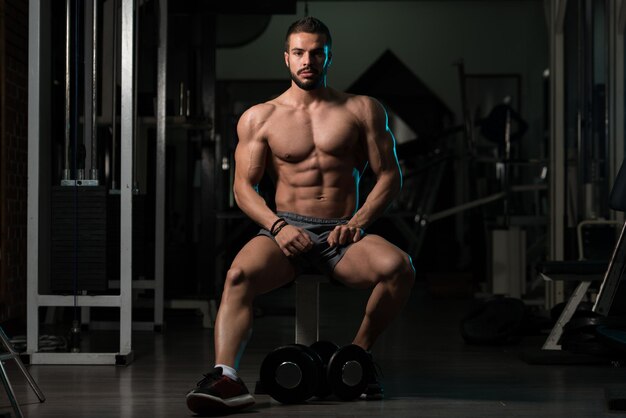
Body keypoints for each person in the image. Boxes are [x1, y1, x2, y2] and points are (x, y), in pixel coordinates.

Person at [186, 16, 416, 415]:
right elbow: (243, 188)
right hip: (285, 230)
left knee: (399, 267)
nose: (307, 60)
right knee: (237, 276)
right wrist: (277, 226)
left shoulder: (361, 109)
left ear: (328, 57)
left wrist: (357, 223)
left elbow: (390, 177)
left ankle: (356, 360)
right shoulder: (261, 117)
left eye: (316, 53)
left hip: (342, 235)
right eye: (298, 52)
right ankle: (226, 377)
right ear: (286, 58)